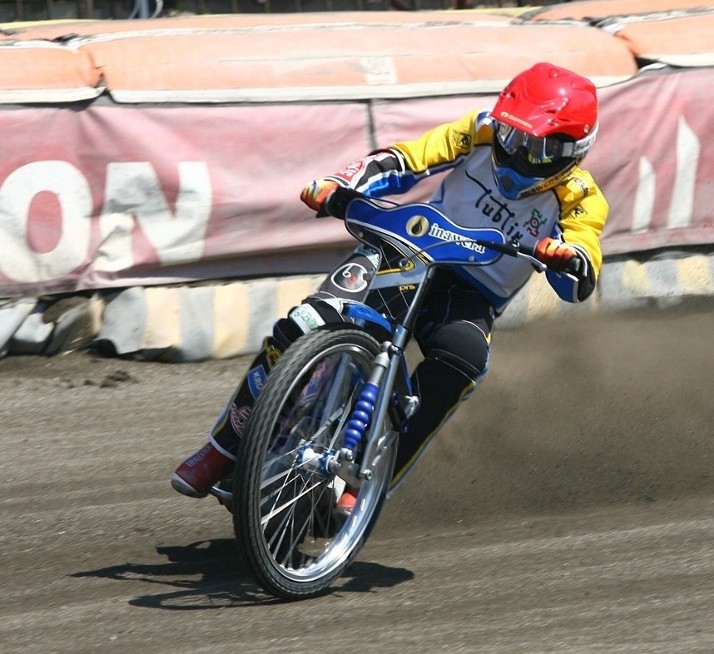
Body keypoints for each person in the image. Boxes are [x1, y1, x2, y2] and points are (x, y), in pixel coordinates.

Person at [170, 62, 609, 512]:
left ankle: (369, 483)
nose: (516, 154)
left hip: (469, 294)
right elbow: (405, 161)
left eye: (535, 149)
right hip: (407, 252)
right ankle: (222, 448)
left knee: (463, 361)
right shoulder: (478, 130)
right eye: (511, 136)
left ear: (572, 151)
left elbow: (582, 270)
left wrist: (568, 258)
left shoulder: (582, 198)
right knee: (305, 323)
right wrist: (340, 183)